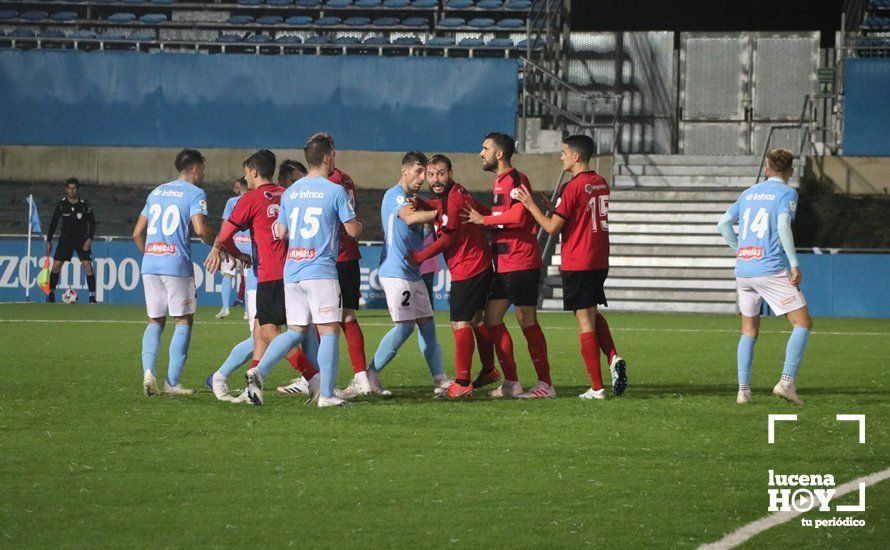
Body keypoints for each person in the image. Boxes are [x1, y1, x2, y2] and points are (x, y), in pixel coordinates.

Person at [244, 133, 363, 408]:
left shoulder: (291, 192)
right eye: (332, 155)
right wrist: (358, 225)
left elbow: (282, 232)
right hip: (320, 270)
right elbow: (352, 230)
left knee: (296, 330)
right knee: (330, 329)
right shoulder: (335, 191)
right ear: (326, 158)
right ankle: (327, 396)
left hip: (292, 271)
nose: (334, 159)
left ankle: (258, 371)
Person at [513, 135, 628, 400]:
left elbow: (552, 227)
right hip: (599, 259)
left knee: (584, 322)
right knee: (592, 313)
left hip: (579, 259)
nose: (561, 156)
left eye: (564, 152)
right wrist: (555, 208)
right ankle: (613, 357)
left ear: (576, 156)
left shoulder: (572, 187)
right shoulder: (600, 182)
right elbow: (580, 216)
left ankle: (597, 388)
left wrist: (530, 205)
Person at [205, 149, 320, 402]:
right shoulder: (287, 194)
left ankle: (313, 377)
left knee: (268, 334)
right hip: (295, 271)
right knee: (263, 334)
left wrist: (239, 255)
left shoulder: (250, 199)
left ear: (254, 172)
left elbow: (224, 237)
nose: (245, 178)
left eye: (246, 173)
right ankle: (235, 381)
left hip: (269, 275)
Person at [717, 148, 812, 405]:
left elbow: (722, 224)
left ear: (767, 168)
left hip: (744, 270)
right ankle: (786, 382)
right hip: (770, 268)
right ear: (790, 172)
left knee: (748, 331)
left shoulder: (748, 193)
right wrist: (794, 263)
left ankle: (743, 391)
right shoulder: (787, 192)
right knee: (802, 323)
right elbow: (783, 225)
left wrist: (741, 250)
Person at [464, 132, 554, 399]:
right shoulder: (500, 183)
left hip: (521, 261)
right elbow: (499, 214)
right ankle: (511, 382)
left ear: (499, 154)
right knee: (491, 319)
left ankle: (545, 385)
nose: (481, 153)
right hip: (503, 264)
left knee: (527, 320)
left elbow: (516, 215)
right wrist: (475, 207)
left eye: (485, 148)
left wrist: (484, 221)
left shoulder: (516, 178)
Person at [360, 151, 450, 398]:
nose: (422, 177)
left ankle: (440, 378)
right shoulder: (394, 195)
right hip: (395, 272)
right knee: (405, 327)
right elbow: (410, 218)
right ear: (405, 170)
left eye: (425, 173)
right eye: (419, 171)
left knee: (427, 326)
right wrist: (442, 213)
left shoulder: (417, 198)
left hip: (413, 272)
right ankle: (370, 373)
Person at [410, 154, 494, 400]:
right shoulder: (454, 194)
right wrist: (427, 204)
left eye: (441, 174)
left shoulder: (454, 198)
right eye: (432, 175)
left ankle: (463, 382)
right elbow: (446, 208)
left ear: (450, 173)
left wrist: (420, 256)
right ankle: (489, 370)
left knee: (460, 323)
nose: (436, 180)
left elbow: (448, 238)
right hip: (479, 264)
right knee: (477, 320)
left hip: (468, 268)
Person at [132, 149, 216, 396]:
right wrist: (221, 242)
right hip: (176, 265)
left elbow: (137, 233)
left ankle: (149, 372)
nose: (204, 174)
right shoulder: (195, 193)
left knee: (155, 321)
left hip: (151, 264)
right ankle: (171, 382)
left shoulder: (157, 191)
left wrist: (150, 255)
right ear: (197, 168)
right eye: (204, 169)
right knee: (183, 320)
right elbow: (200, 229)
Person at [45, 177, 98, 303]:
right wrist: (49, 240)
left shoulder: (84, 205)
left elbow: (93, 223)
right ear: (66, 189)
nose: (71, 191)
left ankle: (92, 297)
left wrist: (89, 239)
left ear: (77, 189)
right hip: (66, 239)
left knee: (87, 265)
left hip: (81, 239)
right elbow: (53, 222)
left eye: (74, 188)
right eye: (69, 188)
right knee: (56, 266)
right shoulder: (61, 204)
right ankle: (50, 295)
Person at [216, 177, 249, 320]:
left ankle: (225, 307)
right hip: (249, 247)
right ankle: (248, 311)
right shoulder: (254, 200)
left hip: (233, 245)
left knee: (227, 275)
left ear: (239, 187)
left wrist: (222, 244)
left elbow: (225, 224)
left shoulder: (231, 202)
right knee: (248, 280)